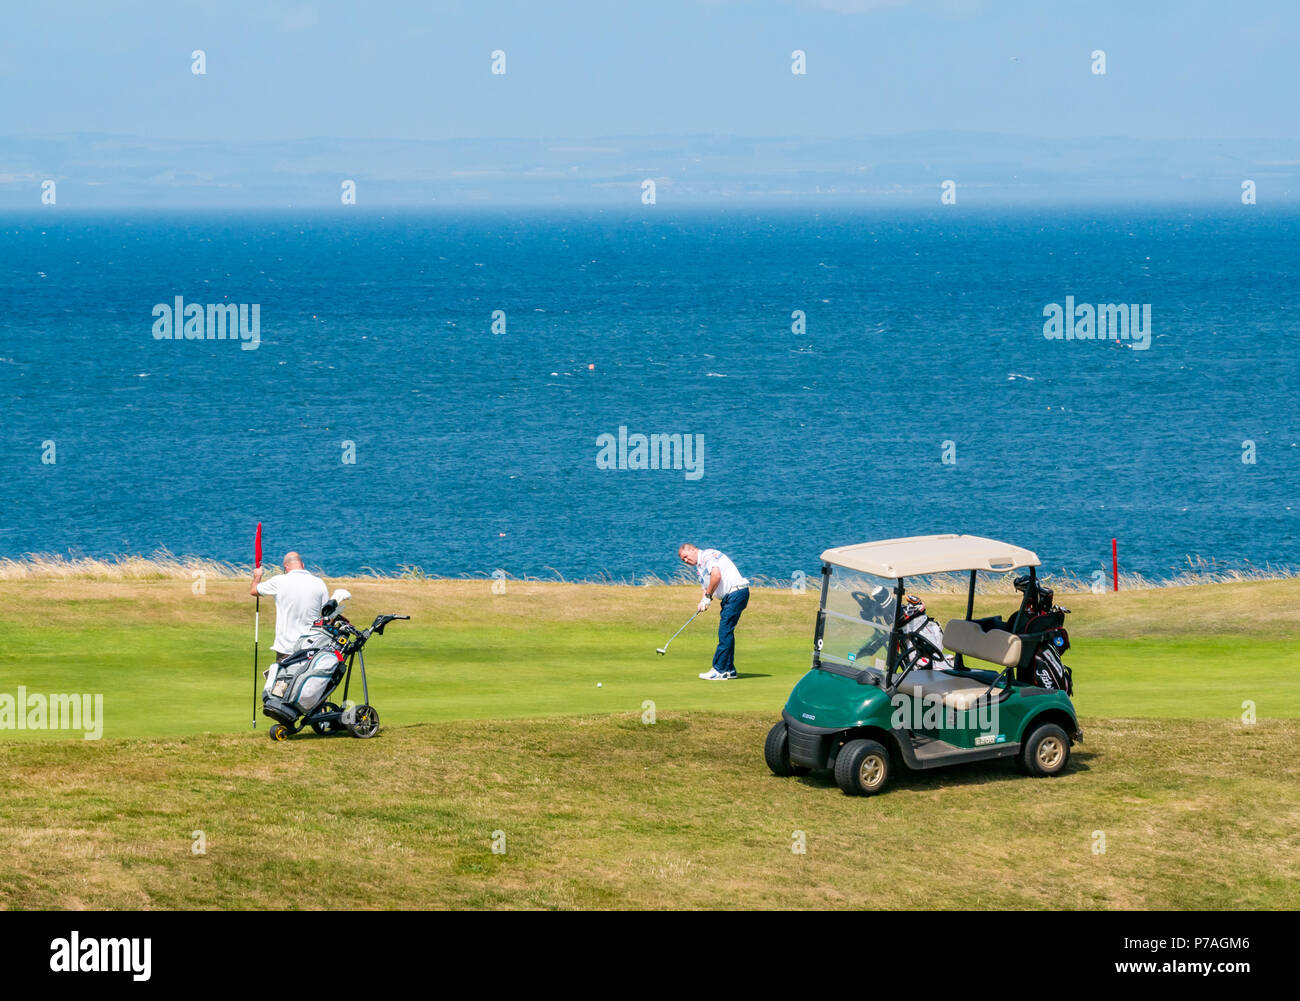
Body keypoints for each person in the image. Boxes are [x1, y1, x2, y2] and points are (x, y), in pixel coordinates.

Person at [678, 543, 750, 680]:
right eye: (683, 560)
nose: (686, 561)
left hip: (736, 593)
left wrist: (708, 597)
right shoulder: (700, 567)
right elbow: (706, 587)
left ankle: (720, 669)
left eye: (686, 557)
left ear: (693, 550)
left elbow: (716, 576)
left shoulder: (707, 556)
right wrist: (703, 601)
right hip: (732, 596)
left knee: (724, 631)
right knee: (727, 631)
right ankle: (729, 669)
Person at [249, 551, 329, 667]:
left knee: (284, 682)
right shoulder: (319, 583)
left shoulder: (279, 581)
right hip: (311, 647)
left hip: (286, 649)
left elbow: (254, 590)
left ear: (286, 567)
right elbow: (327, 614)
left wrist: (257, 576)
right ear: (303, 565)